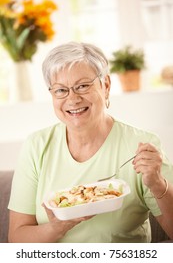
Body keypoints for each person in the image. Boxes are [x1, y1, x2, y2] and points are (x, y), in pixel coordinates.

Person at [8, 41, 173, 243]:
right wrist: (56, 228)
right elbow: (16, 239)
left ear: (105, 85)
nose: (73, 99)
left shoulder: (141, 145)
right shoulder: (36, 145)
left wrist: (157, 184)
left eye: (83, 86)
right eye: (61, 90)